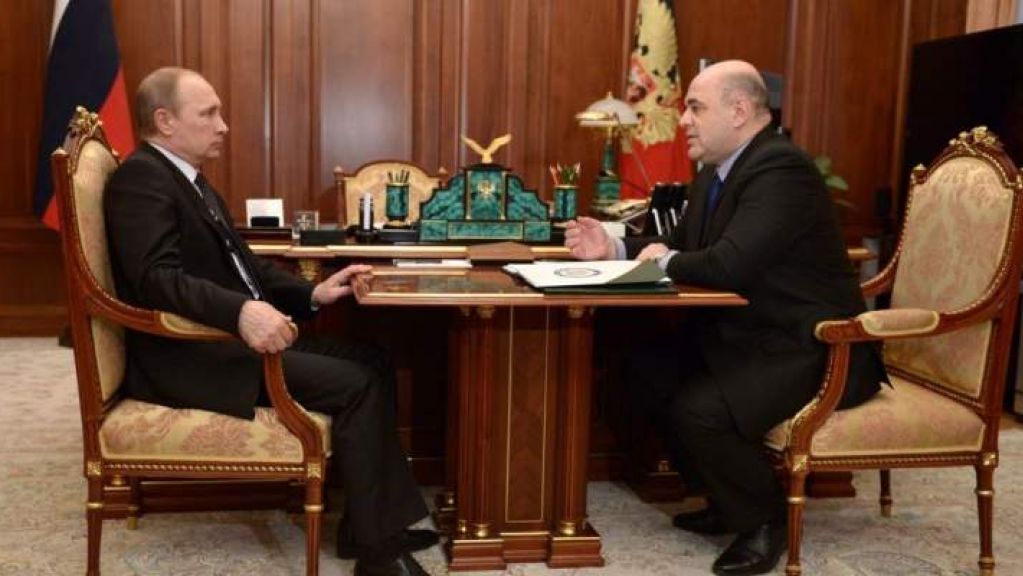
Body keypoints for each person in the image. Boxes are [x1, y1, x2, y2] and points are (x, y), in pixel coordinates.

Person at [104, 67, 434, 576]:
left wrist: (312, 293)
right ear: (165, 121)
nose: (223, 125)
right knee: (356, 385)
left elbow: (245, 264)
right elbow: (155, 279)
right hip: (190, 357)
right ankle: (377, 553)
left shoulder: (188, 179)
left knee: (373, 360)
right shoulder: (141, 179)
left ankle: (366, 524)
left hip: (224, 343)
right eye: (209, 113)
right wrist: (239, 312)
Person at [565, 60, 885, 576]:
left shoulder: (780, 169)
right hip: (747, 335)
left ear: (739, 111)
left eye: (695, 108)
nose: (683, 120)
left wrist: (664, 260)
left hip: (814, 346)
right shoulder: (717, 171)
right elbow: (683, 245)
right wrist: (615, 245)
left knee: (700, 409)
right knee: (643, 371)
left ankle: (765, 521)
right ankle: (725, 498)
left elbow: (728, 264)